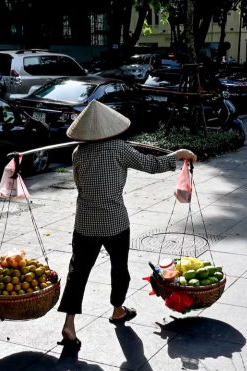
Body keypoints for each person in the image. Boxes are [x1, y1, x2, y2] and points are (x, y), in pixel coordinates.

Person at [57, 101, 197, 350]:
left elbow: (80, 185)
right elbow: (151, 165)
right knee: (119, 268)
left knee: (77, 273)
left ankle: (69, 324)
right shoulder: (119, 148)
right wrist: (177, 155)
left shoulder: (78, 153)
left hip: (85, 223)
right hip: (115, 222)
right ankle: (117, 309)